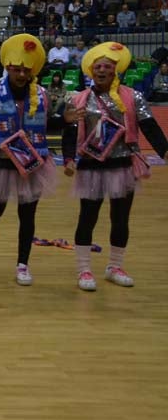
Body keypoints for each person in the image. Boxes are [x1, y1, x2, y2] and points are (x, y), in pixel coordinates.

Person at [62, 42, 168, 291]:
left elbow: (149, 126)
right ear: (91, 71)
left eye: (107, 67)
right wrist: (68, 159)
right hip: (91, 165)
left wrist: (164, 150)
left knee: (120, 219)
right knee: (87, 217)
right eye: (97, 67)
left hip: (123, 165)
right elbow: (70, 132)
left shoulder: (133, 96)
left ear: (115, 71)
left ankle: (114, 266)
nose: (102, 71)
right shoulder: (78, 99)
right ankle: (84, 269)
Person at [0, 34, 59, 285]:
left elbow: (52, 122)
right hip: (2, 164)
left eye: (25, 70)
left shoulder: (41, 95)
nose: (20, 74)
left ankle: (22, 264)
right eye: (16, 69)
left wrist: (68, 119)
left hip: (32, 164)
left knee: (27, 216)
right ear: (8, 68)